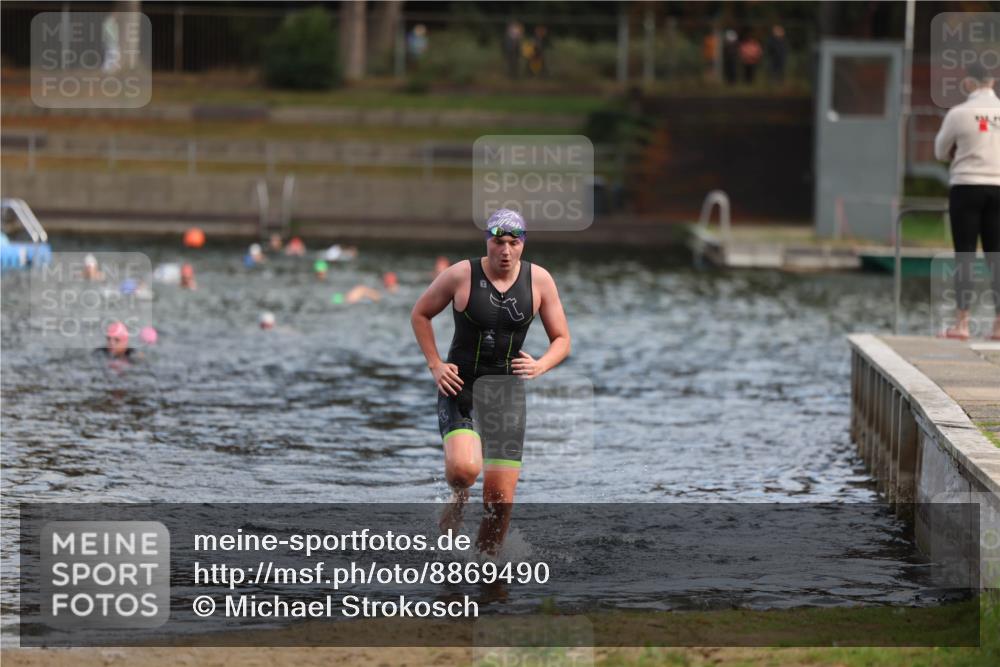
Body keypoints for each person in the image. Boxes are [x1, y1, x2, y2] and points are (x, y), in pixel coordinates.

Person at [410, 209, 571, 555]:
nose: (506, 251)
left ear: (523, 244)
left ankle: (487, 566)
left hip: (506, 394)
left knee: (499, 501)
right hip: (460, 386)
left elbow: (562, 339)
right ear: (488, 241)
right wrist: (435, 364)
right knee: (464, 470)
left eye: (514, 243)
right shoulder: (461, 274)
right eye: (499, 242)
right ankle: (458, 496)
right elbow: (420, 313)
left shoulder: (539, 280)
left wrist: (541, 364)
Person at [934, 63, 1000, 340]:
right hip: (998, 186)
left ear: (968, 83)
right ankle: (999, 326)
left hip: (966, 187)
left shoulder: (959, 113)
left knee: (965, 254)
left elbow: (940, 151)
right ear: (992, 82)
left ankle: (962, 324)